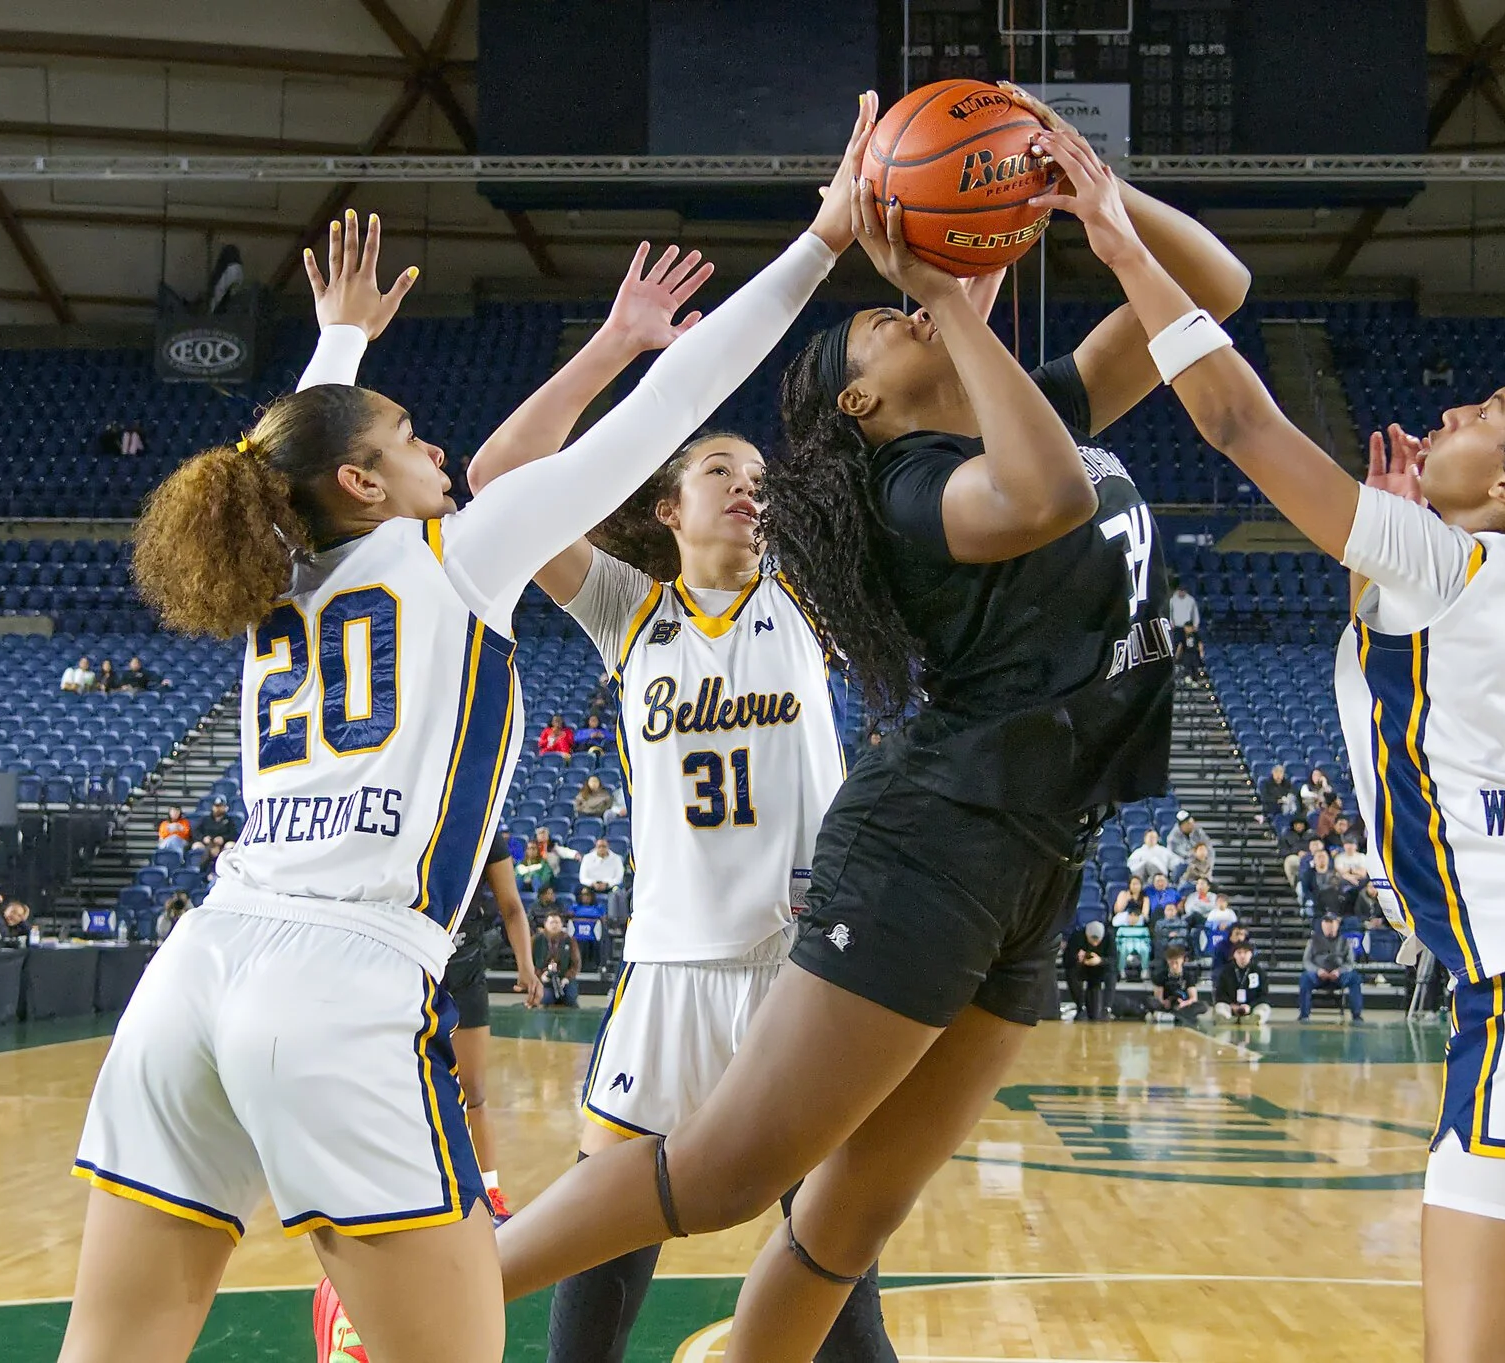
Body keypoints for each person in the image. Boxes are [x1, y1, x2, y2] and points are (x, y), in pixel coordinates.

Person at [494, 85, 1250, 1363]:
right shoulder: (900, 491)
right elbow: (1047, 495)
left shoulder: (1016, 410)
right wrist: (946, 295)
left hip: (1031, 848)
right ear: (859, 406)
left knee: (848, 1222)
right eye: (883, 325)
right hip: (917, 851)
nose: (911, 309)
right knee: (713, 1186)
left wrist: (1097, 201)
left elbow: (1215, 290)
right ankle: (426, 1283)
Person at [62, 142, 851, 1363]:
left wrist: (340, 350)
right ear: (363, 482)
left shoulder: (271, 572)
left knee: (115, 1346)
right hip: (337, 981)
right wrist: (820, 245)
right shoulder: (455, 554)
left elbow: (290, 462)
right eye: (409, 433)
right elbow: (668, 405)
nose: (439, 450)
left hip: (193, 975)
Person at [1065, 127, 1505, 1361]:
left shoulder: (1455, 565)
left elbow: (1229, 418)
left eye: (1484, 414)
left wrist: (1117, 236)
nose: (1449, 409)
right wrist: (1373, 571)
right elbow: (1409, 691)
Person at [437, 208, 897, 1363]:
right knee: (604, 1251)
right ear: (665, 507)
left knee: (832, 1254)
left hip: (801, 965)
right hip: (671, 967)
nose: (745, 488)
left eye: (755, 476)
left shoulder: (806, 595)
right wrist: (614, 349)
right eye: (715, 471)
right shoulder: (625, 612)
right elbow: (497, 478)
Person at [442, 827, 542, 1225]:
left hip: (464, 966)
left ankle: (491, 1194)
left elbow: (511, 906)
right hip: (411, 964)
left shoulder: (483, 822)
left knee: (475, 1094)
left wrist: (527, 967)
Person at [1298, 913, 1363, 1021]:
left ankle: (1356, 1015)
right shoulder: (1313, 941)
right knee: (1305, 978)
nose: (1328, 926)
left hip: (1339, 975)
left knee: (1355, 978)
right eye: (1326, 923)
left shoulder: (1345, 941)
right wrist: (1317, 970)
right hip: (1318, 975)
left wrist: (1339, 971)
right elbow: (1306, 961)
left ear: (1337, 924)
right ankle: (1304, 1015)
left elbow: (1350, 963)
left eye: (1331, 923)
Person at [1064, 918, 1114, 1021]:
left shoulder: (1109, 937)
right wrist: (1078, 958)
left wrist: (1100, 960)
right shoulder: (1077, 936)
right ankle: (1080, 1006)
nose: (1095, 943)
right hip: (1081, 969)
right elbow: (1066, 960)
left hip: (1099, 971)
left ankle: (1106, 1008)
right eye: (1092, 939)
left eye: (1097, 940)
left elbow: (1113, 960)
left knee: (1111, 973)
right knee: (1071, 971)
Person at [1211, 940, 1269, 1024]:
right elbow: (1220, 994)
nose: (1242, 956)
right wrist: (1232, 1005)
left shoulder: (1259, 971)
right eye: (1239, 952)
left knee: (1264, 1008)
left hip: (1251, 1007)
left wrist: (1250, 1006)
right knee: (1220, 1007)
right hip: (1231, 1006)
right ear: (1234, 954)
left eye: (1245, 952)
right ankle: (1226, 1019)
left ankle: (1254, 1019)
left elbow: (1264, 995)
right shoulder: (1226, 971)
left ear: (1251, 954)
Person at [535, 911, 581, 1008]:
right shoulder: (536, 940)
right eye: (552, 922)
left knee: (570, 998)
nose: (554, 925)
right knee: (546, 999)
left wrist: (567, 978)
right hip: (544, 979)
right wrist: (540, 976)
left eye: (557, 922)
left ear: (562, 924)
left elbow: (576, 964)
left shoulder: (570, 940)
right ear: (545, 924)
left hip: (564, 978)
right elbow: (530, 963)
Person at [1148, 942, 1203, 1020]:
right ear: (1167, 961)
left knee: (1202, 1006)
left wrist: (1184, 1003)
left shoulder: (1188, 975)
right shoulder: (1160, 975)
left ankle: (1172, 1016)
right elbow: (1158, 998)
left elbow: (1193, 998)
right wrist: (1164, 1002)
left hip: (1183, 1005)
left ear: (1182, 960)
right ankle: (1175, 1016)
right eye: (1171, 963)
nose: (1174, 966)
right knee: (1151, 1002)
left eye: (1176, 962)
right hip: (1167, 1005)